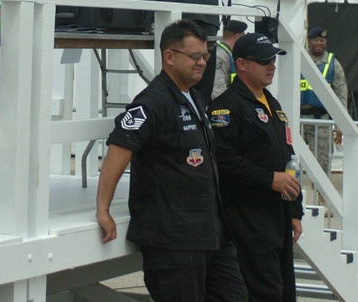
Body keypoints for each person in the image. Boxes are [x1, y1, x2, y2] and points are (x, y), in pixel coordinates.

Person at [95, 20, 247, 302]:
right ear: (169, 57)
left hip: (210, 234)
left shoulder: (195, 99)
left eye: (205, 56)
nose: (202, 63)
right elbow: (119, 149)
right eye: (195, 56)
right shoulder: (152, 102)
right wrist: (103, 208)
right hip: (174, 241)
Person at [209, 32, 302, 301]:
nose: (271, 65)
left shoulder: (271, 103)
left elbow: (288, 156)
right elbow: (222, 161)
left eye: (272, 59)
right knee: (262, 291)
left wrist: (296, 210)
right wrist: (268, 179)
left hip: (278, 216)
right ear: (242, 65)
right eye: (263, 61)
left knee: (283, 290)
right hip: (247, 219)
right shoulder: (225, 107)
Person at [299, 26, 349, 176]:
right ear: (309, 41)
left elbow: (341, 95)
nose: (319, 43)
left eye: (322, 40)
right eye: (316, 40)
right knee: (292, 157)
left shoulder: (333, 64)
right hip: (298, 118)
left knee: (322, 161)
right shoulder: (300, 59)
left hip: (321, 120)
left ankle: (321, 197)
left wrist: (341, 124)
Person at [210, 19, 247, 100]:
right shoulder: (220, 55)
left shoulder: (226, 53)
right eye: (243, 36)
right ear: (237, 36)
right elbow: (217, 90)